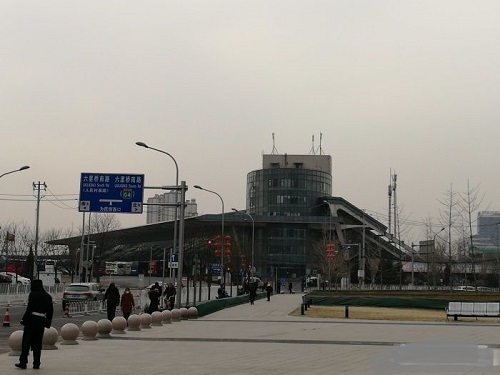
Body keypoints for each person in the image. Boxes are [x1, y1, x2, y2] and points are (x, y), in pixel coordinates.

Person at [16, 279, 53, 370]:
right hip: (41, 321)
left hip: (31, 320)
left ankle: (23, 362)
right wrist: (47, 323)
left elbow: (29, 309)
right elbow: (50, 311)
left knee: (26, 342)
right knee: (37, 343)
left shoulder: (33, 295)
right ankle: (36, 363)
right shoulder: (48, 296)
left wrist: (23, 320)